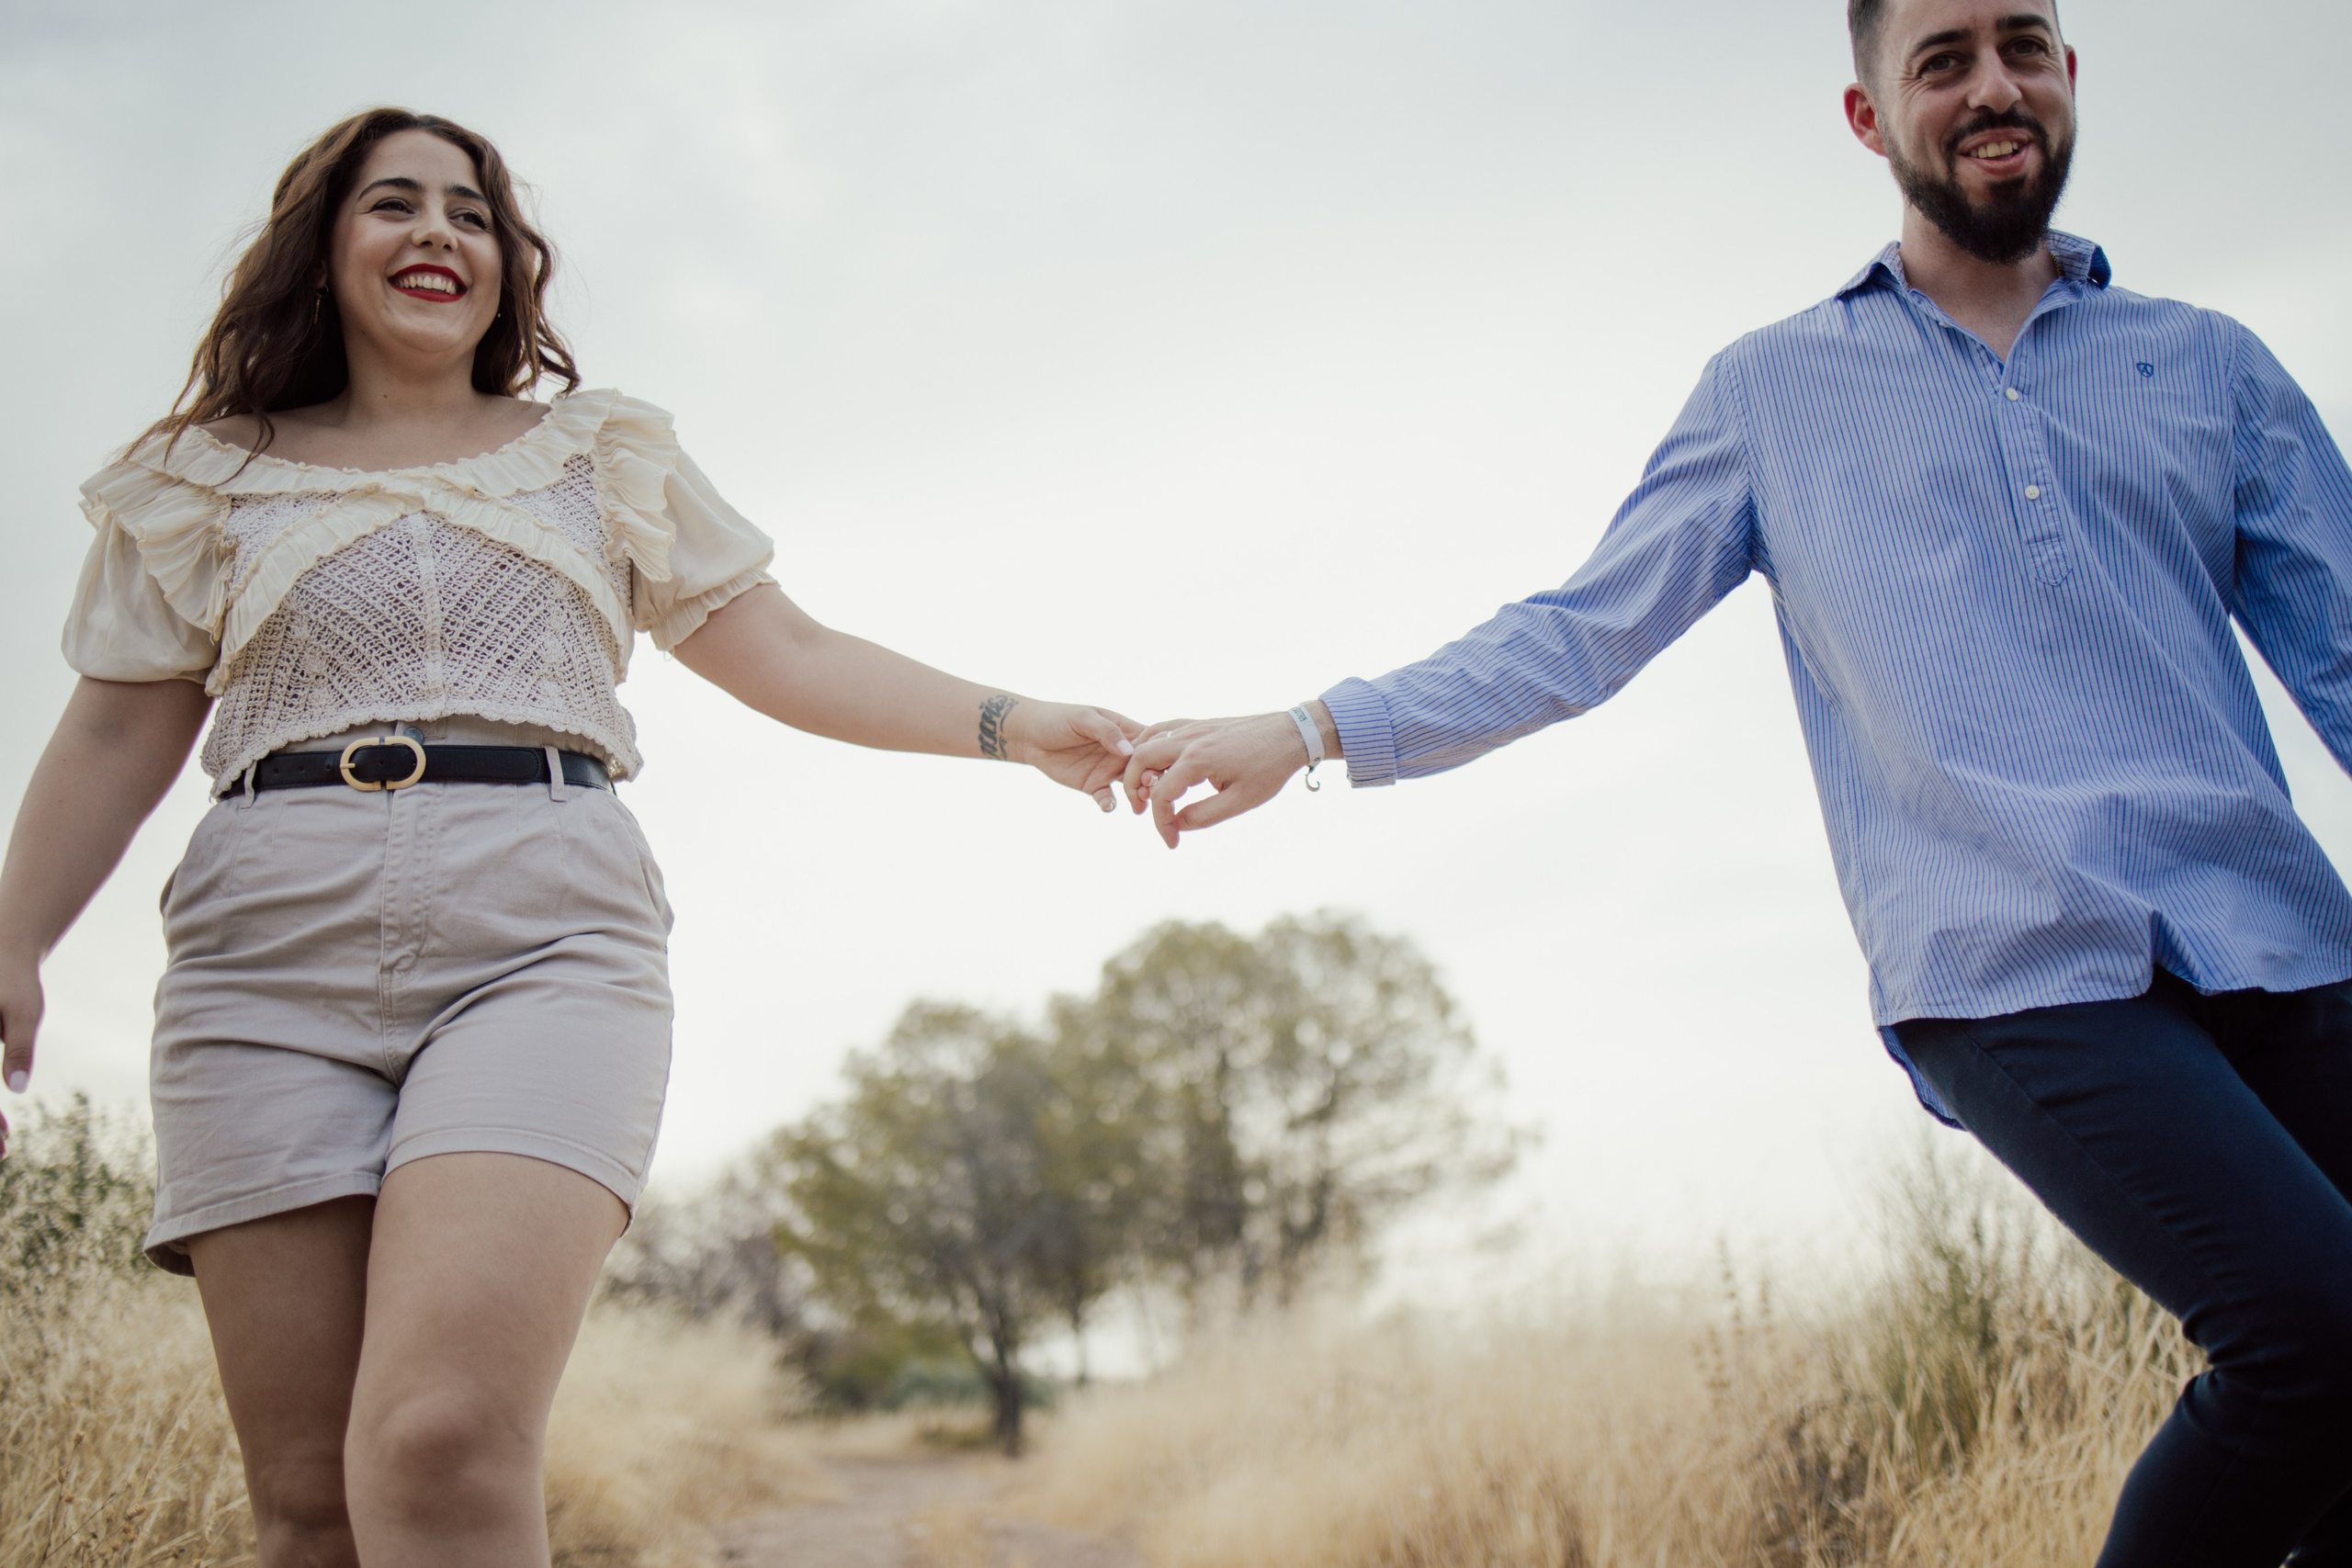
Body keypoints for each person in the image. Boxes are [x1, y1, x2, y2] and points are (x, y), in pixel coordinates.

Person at [1122, 1, 2352, 1562]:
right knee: (2318, 1335)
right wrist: (1310, 729)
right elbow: (1579, 634)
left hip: (2281, 934)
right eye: (1944, 60)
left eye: (2024, 46)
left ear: (2066, 75)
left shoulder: (2211, 366)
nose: (1994, 86)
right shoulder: (1773, 394)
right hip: (2013, 962)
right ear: (1869, 118)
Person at [0, 107, 1137, 1568]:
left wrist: (1011, 722)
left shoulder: (598, 455)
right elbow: (114, 733)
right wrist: (14, 942)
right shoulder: (202, 478)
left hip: (540, 933)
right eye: (394, 204)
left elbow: (789, 651)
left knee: (441, 1442)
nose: (437, 233)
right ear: (322, 247)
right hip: (259, 958)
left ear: (508, 263)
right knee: (309, 1509)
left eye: (470, 213)